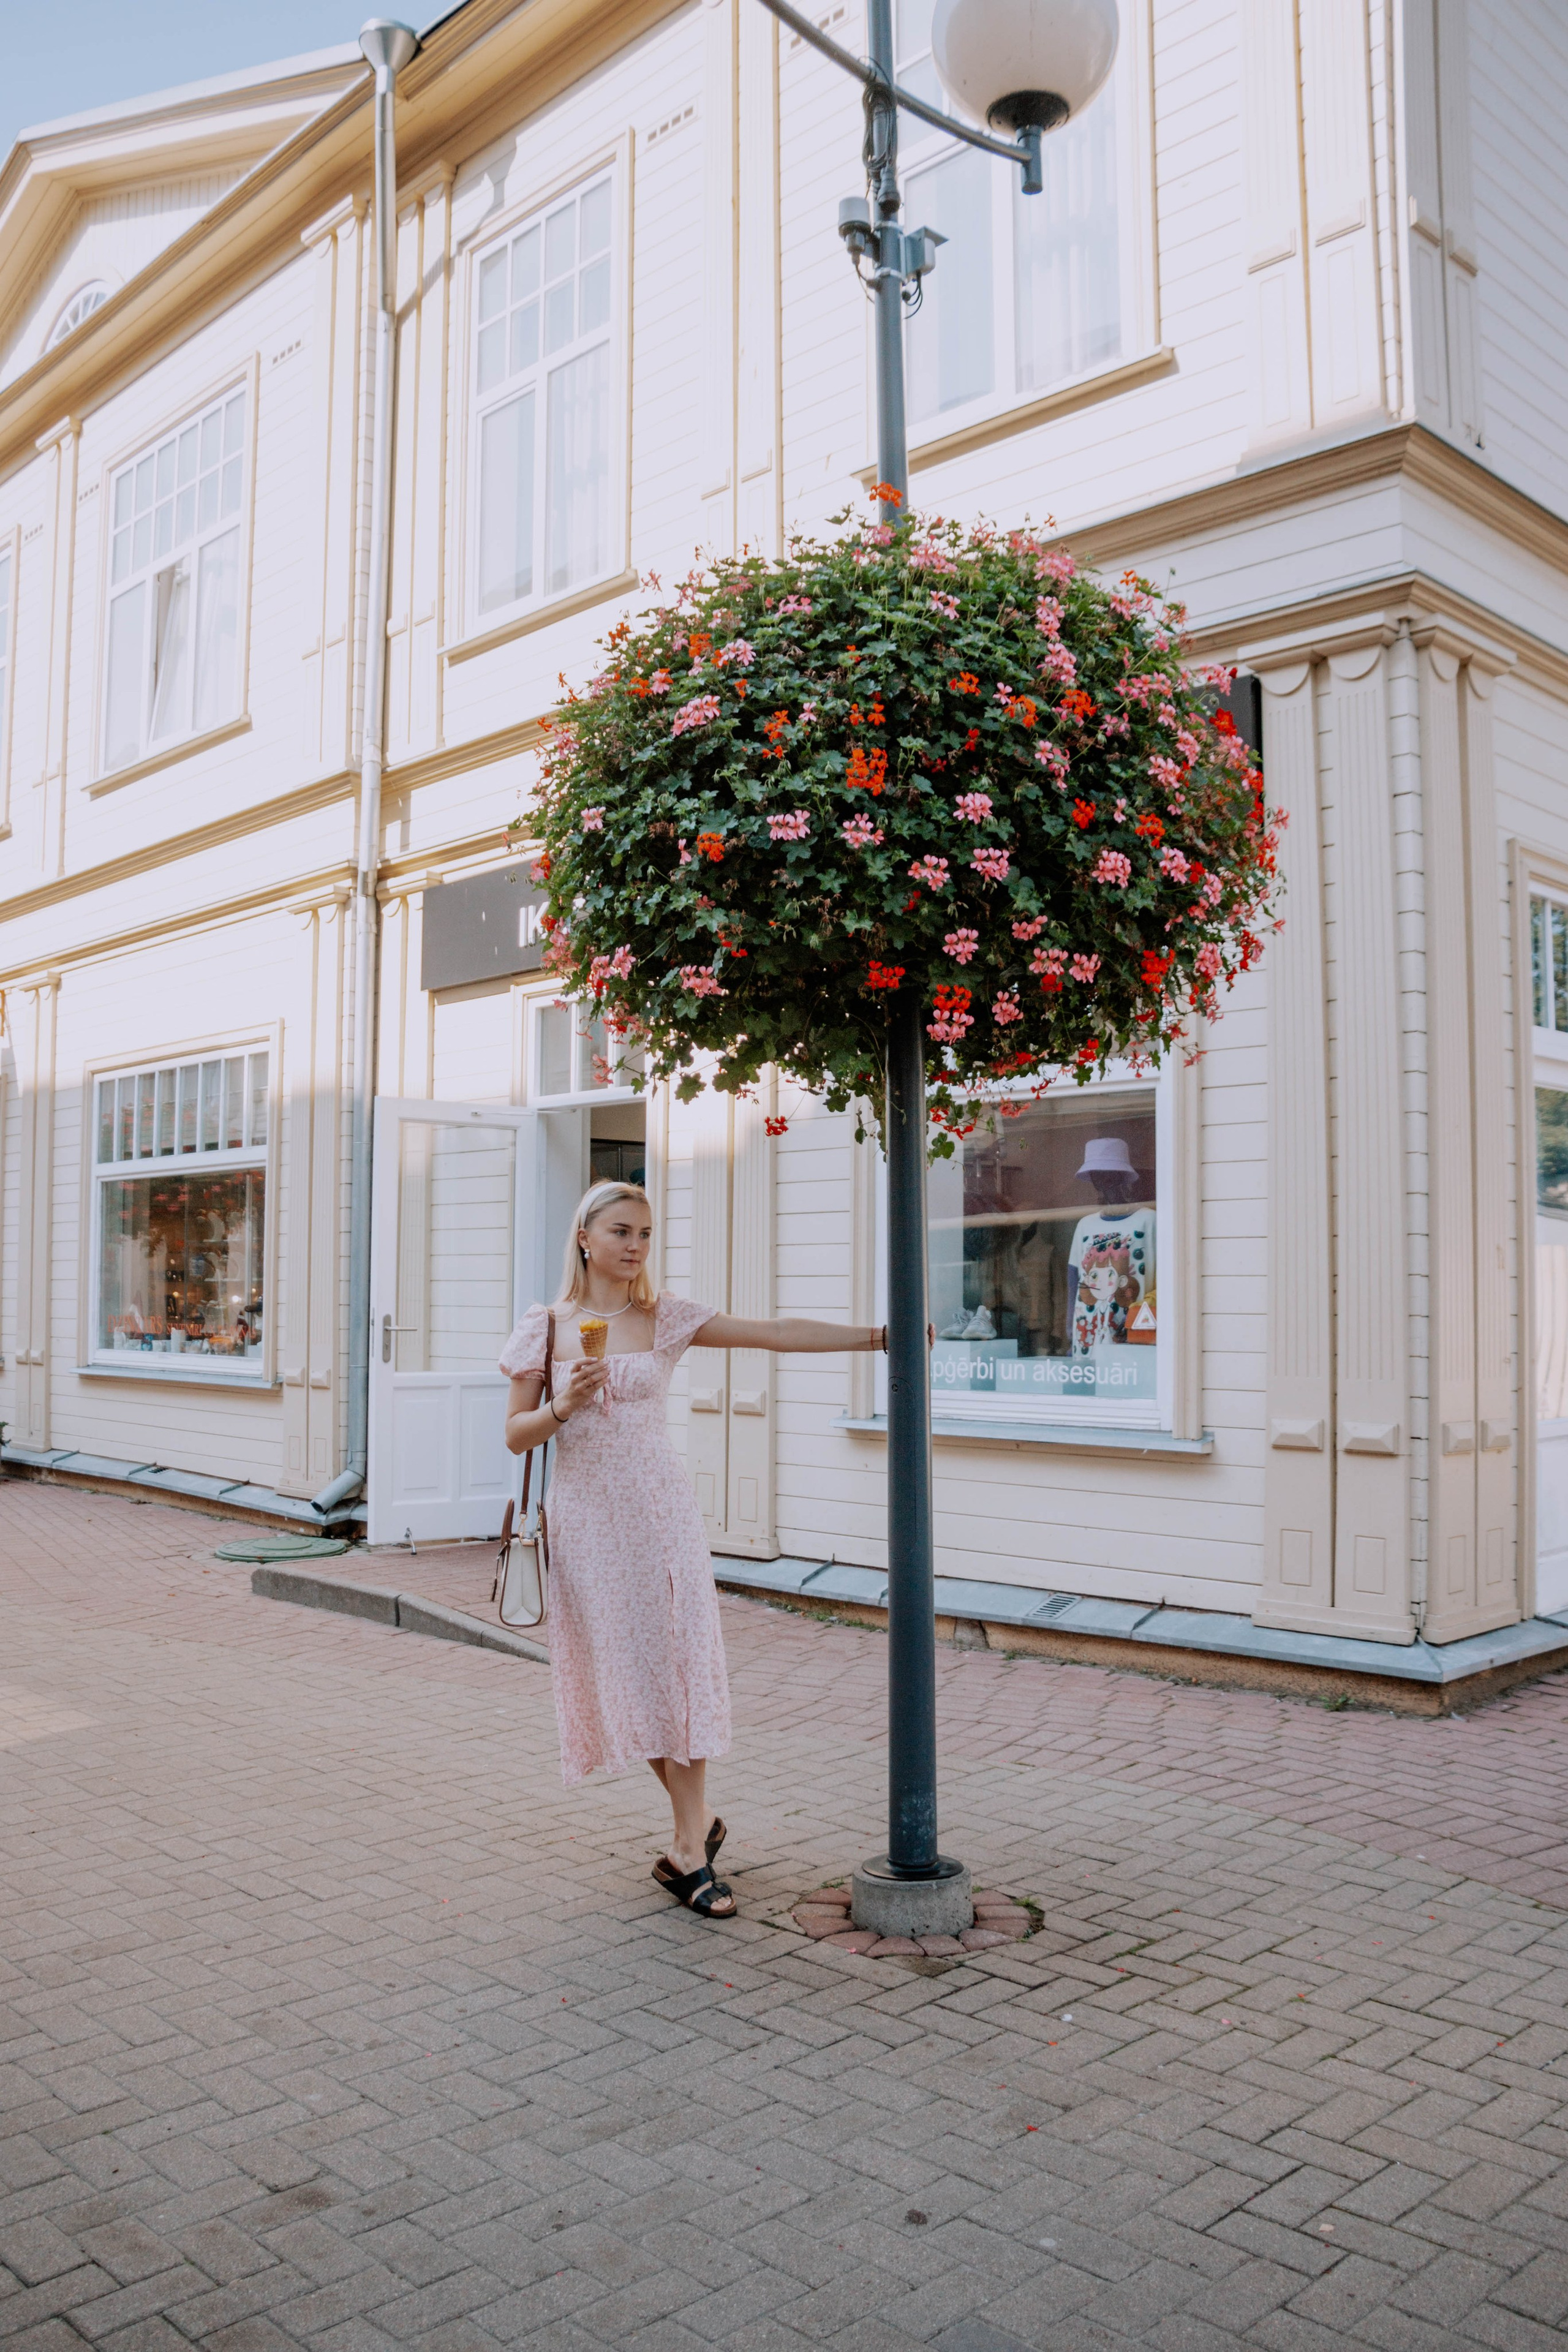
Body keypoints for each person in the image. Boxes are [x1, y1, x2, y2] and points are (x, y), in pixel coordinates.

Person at [501, 1178, 888, 1922]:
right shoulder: (544, 1325)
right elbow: (516, 1434)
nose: (635, 1246)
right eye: (621, 1232)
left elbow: (773, 1332)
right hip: (587, 1522)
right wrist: (564, 1404)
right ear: (585, 1236)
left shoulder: (664, 1316)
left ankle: (688, 1846)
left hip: (660, 1514)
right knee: (627, 1672)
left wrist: (875, 1338)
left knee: (677, 1664)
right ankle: (692, 1831)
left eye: (645, 1234)